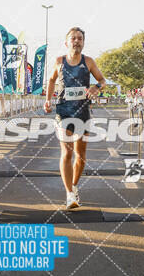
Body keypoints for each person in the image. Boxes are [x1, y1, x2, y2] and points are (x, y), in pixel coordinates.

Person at [44, 27, 106, 210]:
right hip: (63, 112)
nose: (76, 41)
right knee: (67, 153)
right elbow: (51, 81)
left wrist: (96, 87)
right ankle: (69, 194)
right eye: (73, 38)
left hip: (83, 111)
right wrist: (48, 100)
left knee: (80, 156)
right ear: (66, 42)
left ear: (83, 42)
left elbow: (102, 81)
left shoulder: (88, 62)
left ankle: (74, 186)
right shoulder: (59, 61)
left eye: (80, 38)